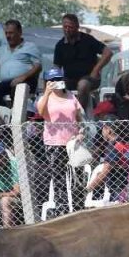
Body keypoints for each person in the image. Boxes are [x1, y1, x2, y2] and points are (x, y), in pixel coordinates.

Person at [37, 67, 85, 212]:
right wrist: (47, 92)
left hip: (73, 142)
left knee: (76, 176)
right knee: (59, 178)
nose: (56, 82)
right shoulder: (46, 98)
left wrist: (81, 131)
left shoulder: (71, 96)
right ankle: (62, 208)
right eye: (52, 80)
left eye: (59, 79)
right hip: (55, 143)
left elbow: (79, 117)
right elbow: (40, 112)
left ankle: (77, 206)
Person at [55, 14, 114, 109]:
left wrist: (96, 70)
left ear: (77, 27)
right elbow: (56, 66)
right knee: (55, 85)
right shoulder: (60, 45)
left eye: (70, 27)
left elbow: (108, 52)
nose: (67, 29)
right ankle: (62, 116)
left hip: (90, 78)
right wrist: (55, 79)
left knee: (83, 85)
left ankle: (79, 117)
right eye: (65, 27)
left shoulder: (88, 40)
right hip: (70, 79)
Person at [0, 20, 43, 104]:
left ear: (20, 32)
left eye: (11, 33)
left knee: (18, 88)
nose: (8, 36)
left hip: (26, 81)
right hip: (6, 83)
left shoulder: (30, 46)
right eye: (6, 33)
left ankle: (16, 114)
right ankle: (4, 112)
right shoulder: (1, 48)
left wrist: (23, 77)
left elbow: (38, 66)